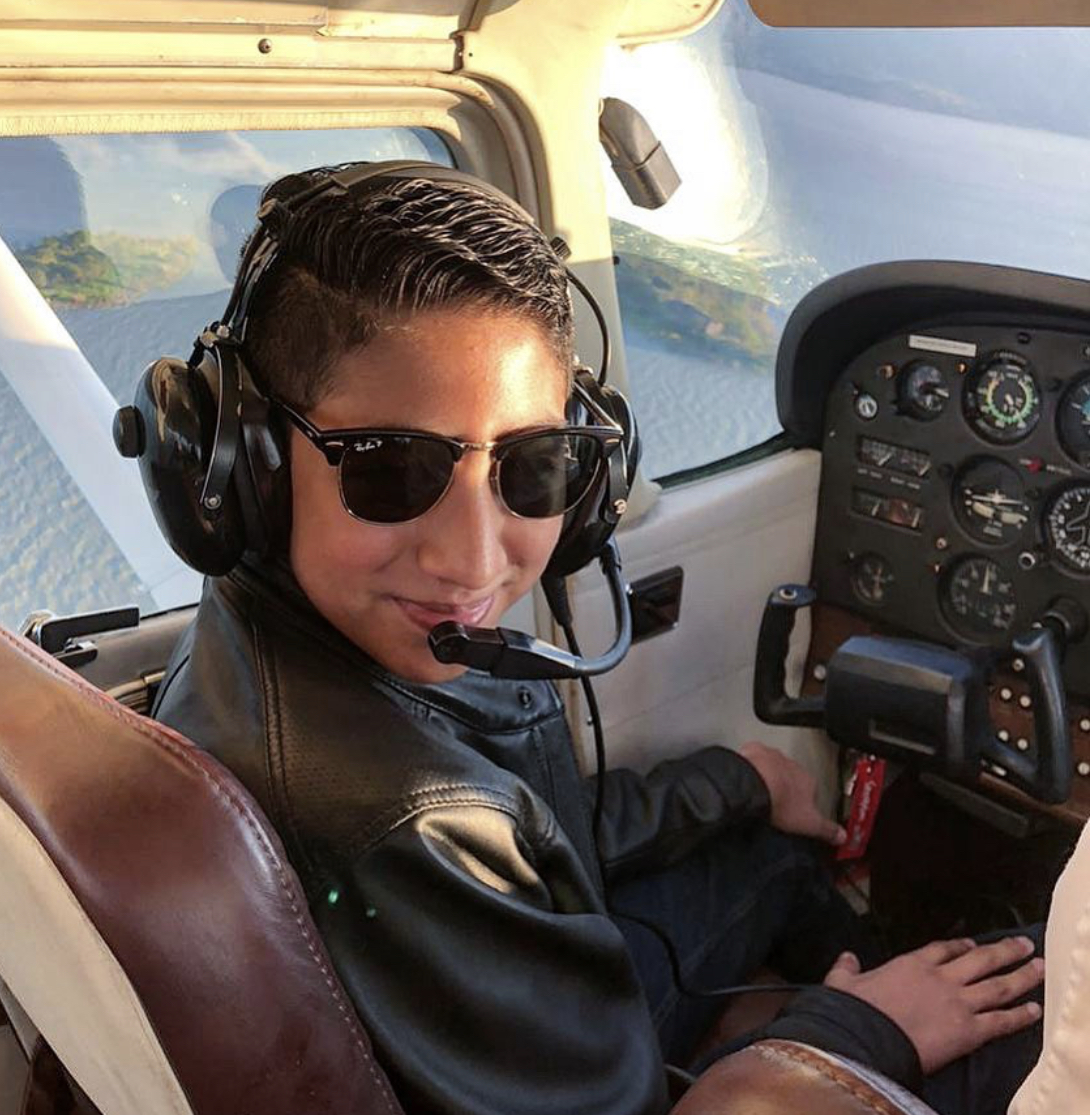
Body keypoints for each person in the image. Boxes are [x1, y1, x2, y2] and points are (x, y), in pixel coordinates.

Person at [146, 162, 1044, 1115]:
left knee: (776, 859)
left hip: (525, 1000)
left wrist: (734, 781)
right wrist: (860, 1034)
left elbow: (533, 830)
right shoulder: (406, 828)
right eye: (391, 468)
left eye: (534, 464)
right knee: (1042, 1001)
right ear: (246, 460)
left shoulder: (277, 624)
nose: (474, 559)